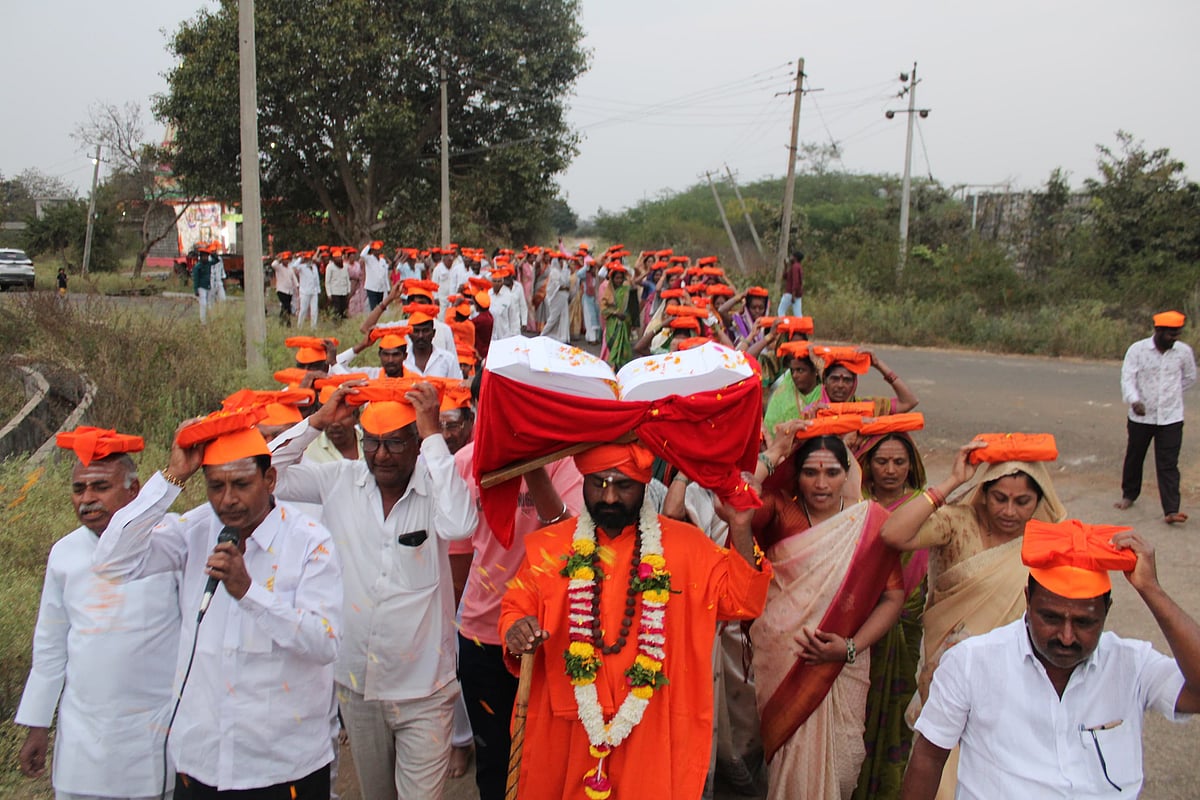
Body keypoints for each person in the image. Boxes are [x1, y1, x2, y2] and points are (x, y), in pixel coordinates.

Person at [92, 410, 343, 798]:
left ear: (270, 479)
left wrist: (250, 593)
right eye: (215, 486)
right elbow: (111, 562)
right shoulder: (195, 529)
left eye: (241, 484)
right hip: (201, 760)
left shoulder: (310, 541)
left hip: (283, 764)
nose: (228, 500)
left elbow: (324, 642)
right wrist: (173, 476)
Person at [501, 441, 771, 800]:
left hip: (652, 730)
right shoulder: (548, 549)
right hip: (565, 729)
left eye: (623, 485)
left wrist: (740, 525)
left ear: (645, 485)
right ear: (583, 480)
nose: (609, 497)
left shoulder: (687, 547)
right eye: (598, 483)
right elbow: (515, 608)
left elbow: (743, 600)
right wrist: (516, 629)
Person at [270, 380, 478, 800]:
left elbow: (460, 525)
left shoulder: (437, 483)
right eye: (373, 443)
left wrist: (434, 436)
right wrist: (316, 422)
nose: (381, 455)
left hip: (424, 689)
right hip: (357, 684)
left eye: (395, 443)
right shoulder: (338, 480)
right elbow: (268, 474)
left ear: (416, 444)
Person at [902, 519, 1200, 799]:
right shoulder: (971, 662)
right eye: (1051, 618)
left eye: (1084, 622)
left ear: (1107, 610)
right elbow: (928, 758)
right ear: (1028, 601)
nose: (1067, 637)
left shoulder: (1132, 663)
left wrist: (1152, 590)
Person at [879, 437, 1067, 800]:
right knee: (941, 773)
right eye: (1000, 498)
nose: (1009, 511)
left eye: (1022, 501)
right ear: (983, 492)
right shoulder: (956, 521)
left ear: (1039, 499)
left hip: (1014, 681)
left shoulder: (1049, 539)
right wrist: (951, 482)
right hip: (947, 673)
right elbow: (892, 534)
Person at [16, 427, 181, 800]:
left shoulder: (170, 540)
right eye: (79, 489)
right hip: (83, 738)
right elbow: (50, 647)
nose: (87, 499)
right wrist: (37, 726)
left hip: (153, 732)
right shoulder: (64, 553)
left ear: (134, 490)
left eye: (100, 487)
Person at [751, 427, 905, 799]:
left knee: (843, 765)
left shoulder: (868, 523)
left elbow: (893, 596)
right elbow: (738, 504)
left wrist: (849, 647)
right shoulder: (781, 511)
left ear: (848, 474)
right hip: (784, 659)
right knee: (790, 762)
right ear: (796, 474)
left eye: (832, 472)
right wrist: (775, 452)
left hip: (844, 662)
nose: (821, 484)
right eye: (810, 472)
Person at [852, 423, 930, 800]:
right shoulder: (855, 503)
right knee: (859, 709)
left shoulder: (924, 507)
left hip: (907, 620)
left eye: (899, 462)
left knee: (899, 705)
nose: (890, 470)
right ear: (867, 464)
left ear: (911, 464)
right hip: (862, 620)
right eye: (881, 461)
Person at [1115, 310, 1197, 524]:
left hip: (1171, 417)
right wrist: (1135, 400)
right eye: (1170, 334)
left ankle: (1171, 510)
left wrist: (1171, 395)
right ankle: (1129, 495)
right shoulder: (1137, 350)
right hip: (1141, 417)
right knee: (1135, 456)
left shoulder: (1183, 352)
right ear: (1158, 330)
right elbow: (1128, 378)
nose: (1174, 338)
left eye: (1177, 334)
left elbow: (1190, 377)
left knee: (1168, 463)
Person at [817, 347, 919, 416]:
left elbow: (909, 402)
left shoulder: (867, 407)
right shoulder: (814, 408)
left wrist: (878, 364)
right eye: (834, 379)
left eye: (847, 380)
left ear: (854, 383)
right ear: (825, 381)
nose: (840, 385)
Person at [762, 341, 823, 440]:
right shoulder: (783, 393)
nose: (794, 375)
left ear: (815, 371)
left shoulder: (824, 393)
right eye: (792, 371)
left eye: (800, 370)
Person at [599, 264, 633, 371]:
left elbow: (632, 306)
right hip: (612, 324)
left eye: (621, 278)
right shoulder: (608, 291)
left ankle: (621, 369)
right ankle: (614, 368)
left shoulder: (626, 290)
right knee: (613, 345)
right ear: (612, 279)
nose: (619, 280)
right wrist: (615, 313)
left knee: (623, 347)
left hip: (624, 322)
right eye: (617, 278)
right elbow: (603, 308)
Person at [295, 252, 322, 329]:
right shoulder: (301, 267)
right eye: (308, 258)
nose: (309, 260)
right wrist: (300, 259)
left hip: (314, 291)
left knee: (314, 310)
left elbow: (316, 279)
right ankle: (300, 326)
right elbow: (294, 267)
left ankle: (313, 327)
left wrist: (318, 289)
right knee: (303, 310)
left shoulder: (314, 266)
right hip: (305, 292)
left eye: (310, 258)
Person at [362, 241, 391, 311]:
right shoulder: (369, 259)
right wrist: (369, 245)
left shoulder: (382, 261)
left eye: (378, 250)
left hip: (380, 288)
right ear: (373, 251)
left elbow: (385, 275)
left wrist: (388, 288)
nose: (377, 252)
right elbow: (362, 255)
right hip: (371, 288)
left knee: (380, 308)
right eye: (375, 250)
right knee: (374, 308)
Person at [325, 248, 351, 320]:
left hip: (344, 292)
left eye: (339, 257)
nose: (339, 259)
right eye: (337, 257)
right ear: (333, 258)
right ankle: (336, 324)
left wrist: (349, 290)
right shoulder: (330, 267)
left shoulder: (345, 266)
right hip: (335, 292)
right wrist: (329, 294)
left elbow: (347, 279)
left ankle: (344, 324)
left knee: (344, 311)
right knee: (337, 311)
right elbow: (327, 282)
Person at [273, 251, 296, 326]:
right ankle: (288, 322)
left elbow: (294, 279)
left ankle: (282, 321)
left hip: (289, 291)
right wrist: (279, 258)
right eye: (285, 259)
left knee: (285, 306)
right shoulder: (279, 267)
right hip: (281, 290)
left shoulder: (290, 269)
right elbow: (273, 264)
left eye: (287, 259)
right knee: (286, 306)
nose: (286, 261)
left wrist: (296, 288)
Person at [778, 251, 804, 317]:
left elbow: (796, 281)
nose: (790, 257)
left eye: (791, 256)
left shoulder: (795, 267)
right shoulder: (797, 266)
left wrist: (793, 294)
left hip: (790, 293)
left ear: (795, 258)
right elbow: (785, 276)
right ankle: (801, 324)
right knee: (798, 315)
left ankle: (783, 323)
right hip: (797, 294)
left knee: (781, 310)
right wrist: (786, 266)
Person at [192, 247, 213, 324]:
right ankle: (203, 321)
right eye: (204, 256)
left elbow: (216, 260)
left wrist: (212, 253)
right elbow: (196, 279)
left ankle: (210, 320)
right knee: (203, 304)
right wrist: (196, 290)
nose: (205, 258)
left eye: (206, 256)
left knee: (210, 305)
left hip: (208, 286)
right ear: (200, 257)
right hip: (201, 287)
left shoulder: (209, 264)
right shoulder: (198, 266)